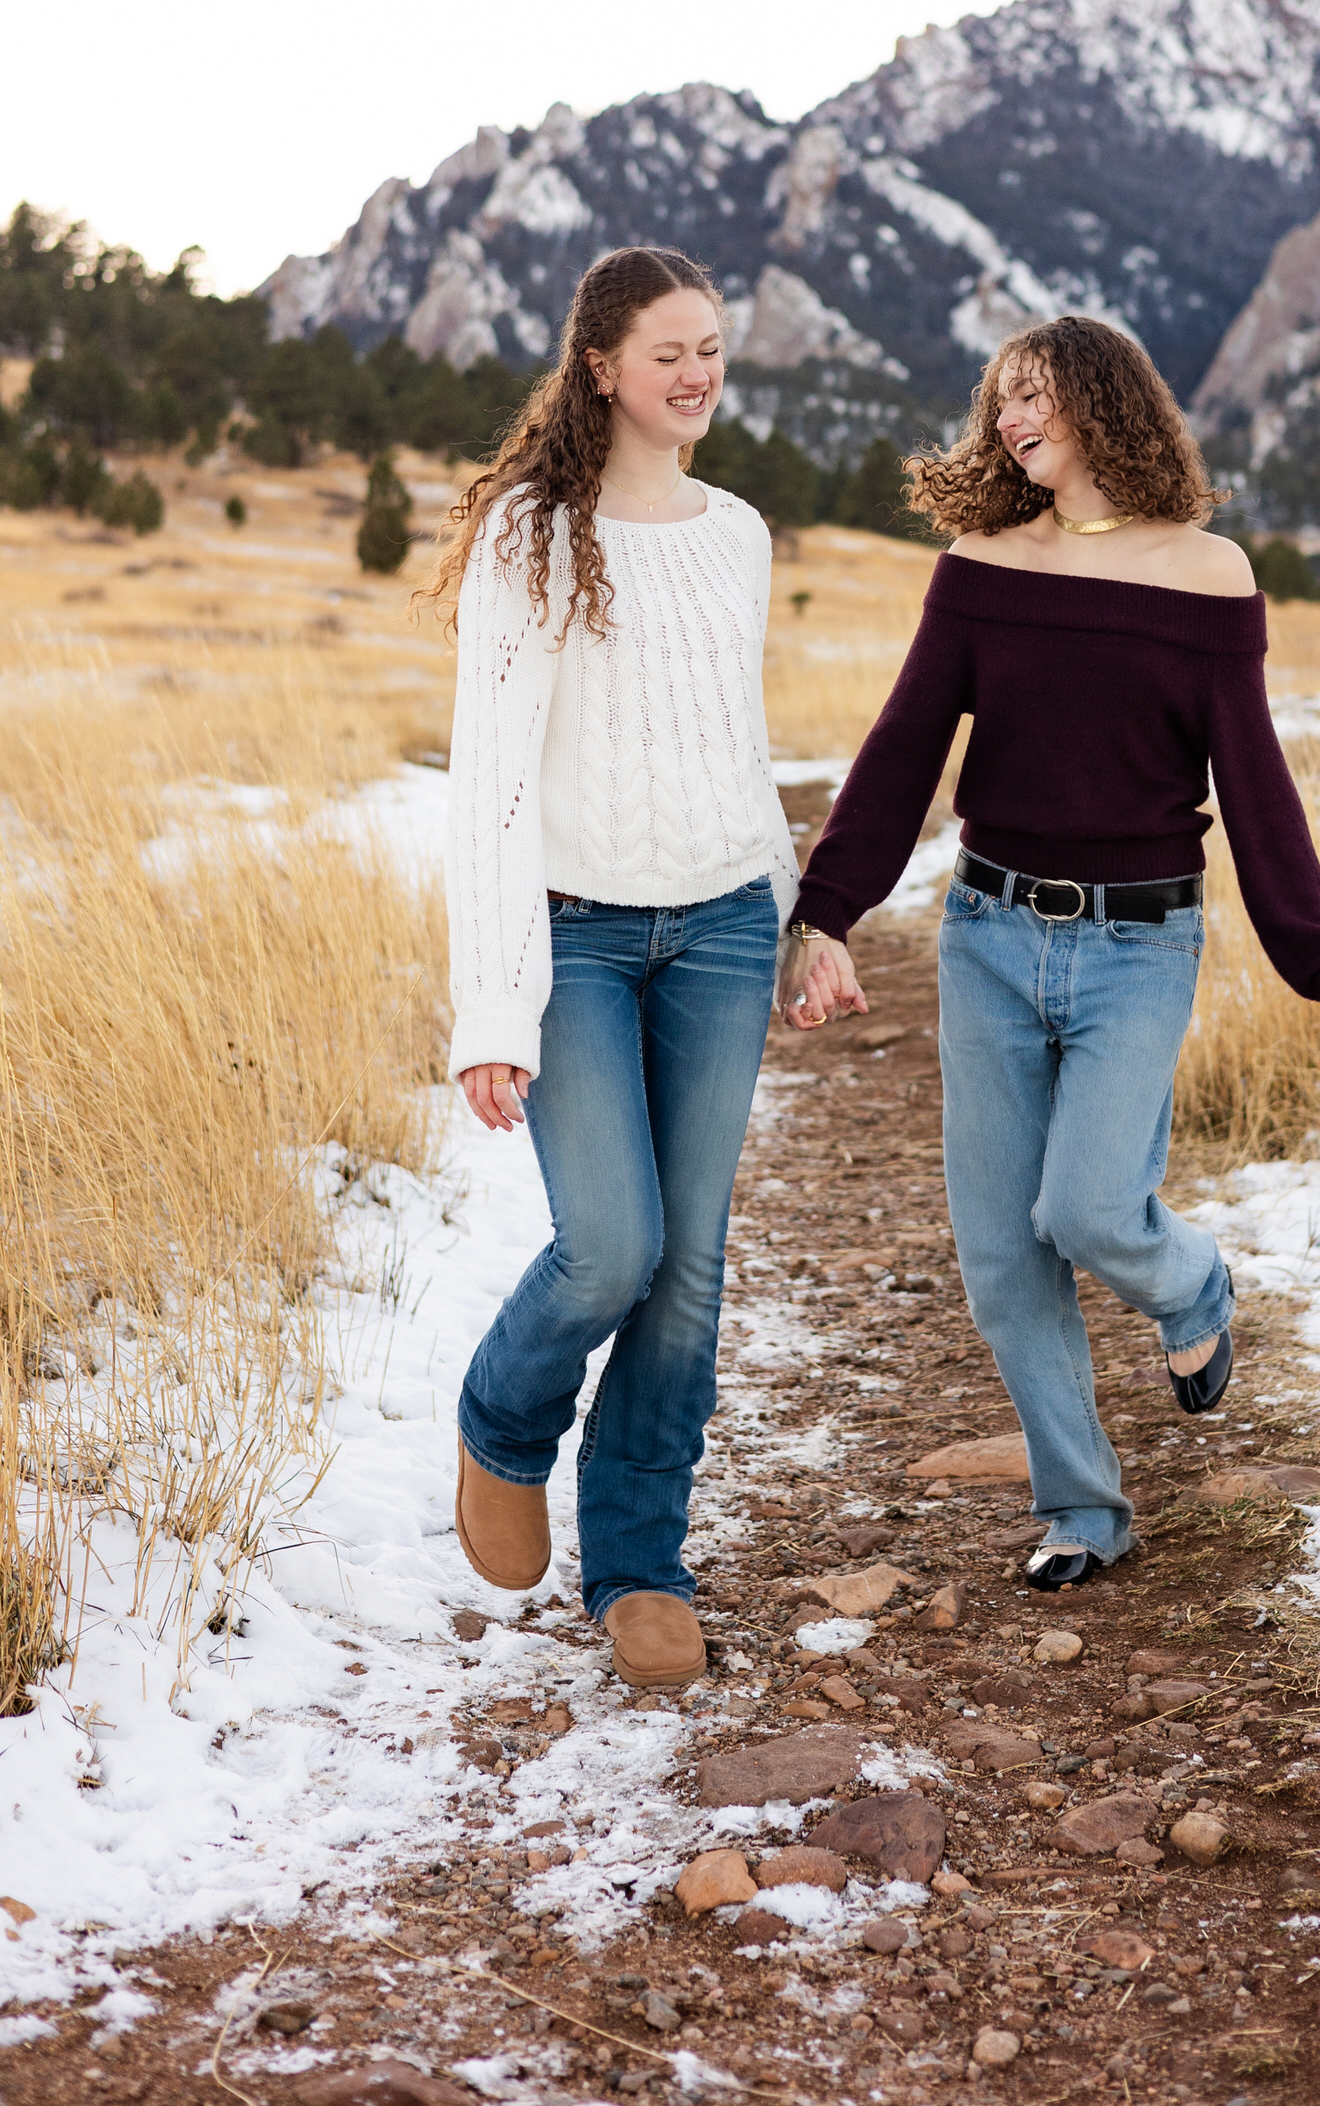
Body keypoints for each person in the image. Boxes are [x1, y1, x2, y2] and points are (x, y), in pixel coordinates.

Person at [776, 317, 1320, 1592]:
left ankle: (1191, 1282)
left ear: (1106, 404)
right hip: (988, 935)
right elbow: (901, 752)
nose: (1008, 416)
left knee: (1088, 1208)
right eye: (1000, 396)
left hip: (1138, 945)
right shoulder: (981, 564)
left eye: (1035, 393)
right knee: (1003, 1255)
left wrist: (1318, 955)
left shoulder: (1208, 576)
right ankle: (1082, 1509)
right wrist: (824, 909)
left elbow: (1253, 781)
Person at [424, 246, 796, 1692]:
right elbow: (491, 789)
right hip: (576, 933)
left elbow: (730, 744)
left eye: (710, 348)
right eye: (667, 354)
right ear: (599, 368)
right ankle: (501, 1424)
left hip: (716, 928)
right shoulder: (532, 533)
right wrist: (492, 1006)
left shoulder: (739, 533)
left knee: (687, 1274)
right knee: (611, 1248)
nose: (696, 375)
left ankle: (638, 1561)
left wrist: (794, 912)